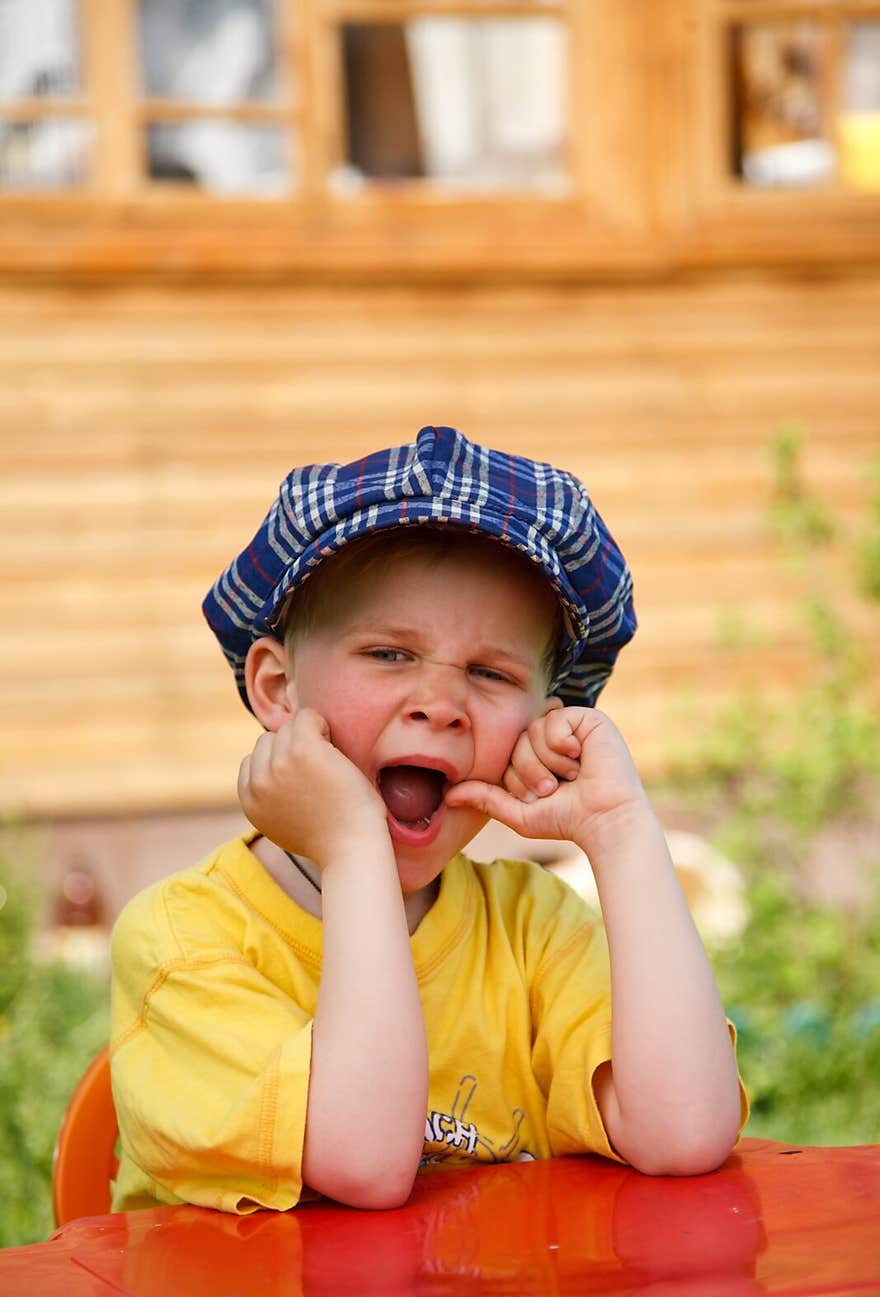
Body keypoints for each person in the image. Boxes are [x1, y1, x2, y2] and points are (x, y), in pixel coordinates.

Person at [109, 424, 748, 1215]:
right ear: (277, 690)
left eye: (489, 672)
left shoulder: (533, 931)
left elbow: (686, 1133)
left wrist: (621, 831)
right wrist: (352, 850)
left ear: (540, 727)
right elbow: (366, 1164)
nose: (440, 706)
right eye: (389, 654)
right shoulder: (181, 938)